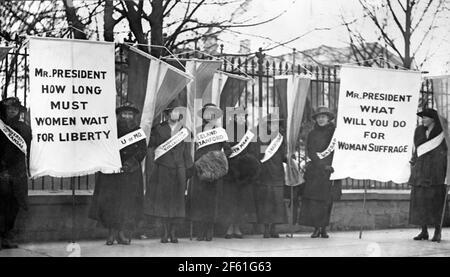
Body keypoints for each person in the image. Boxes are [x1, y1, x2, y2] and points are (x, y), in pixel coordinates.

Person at [89, 102, 147, 246]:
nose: (127, 117)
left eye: (130, 114)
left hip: (130, 173)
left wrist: (130, 163)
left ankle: (122, 233)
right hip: (112, 173)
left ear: (133, 116)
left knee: (127, 204)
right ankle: (111, 233)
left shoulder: (138, 132)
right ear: (119, 115)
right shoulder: (110, 131)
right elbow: (104, 148)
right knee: (111, 204)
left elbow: (142, 150)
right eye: (124, 114)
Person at [144, 99, 193, 243]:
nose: (176, 114)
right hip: (163, 168)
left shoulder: (185, 131)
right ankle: (164, 232)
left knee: (177, 202)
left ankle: (173, 232)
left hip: (179, 169)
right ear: (167, 114)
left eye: (178, 112)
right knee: (164, 202)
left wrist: (188, 168)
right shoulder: (159, 128)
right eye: (173, 111)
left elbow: (187, 151)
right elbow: (151, 146)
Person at [189, 103, 231, 241]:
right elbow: (192, 150)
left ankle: (209, 230)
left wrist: (218, 159)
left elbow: (228, 150)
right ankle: (200, 232)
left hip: (215, 172)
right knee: (200, 201)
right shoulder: (197, 131)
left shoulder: (221, 131)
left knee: (212, 201)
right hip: (200, 170)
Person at [298, 106, 340, 238]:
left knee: (327, 201)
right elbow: (310, 151)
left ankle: (324, 228)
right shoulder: (312, 134)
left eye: (323, 117)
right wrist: (322, 165)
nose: (321, 119)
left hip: (330, 171)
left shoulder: (336, 133)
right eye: (318, 117)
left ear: (328, 118)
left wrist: (331, 165)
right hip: (316, 171)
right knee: (315, 202)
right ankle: (316, 228)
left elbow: (338, 151)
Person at [219, 106, 260, 239]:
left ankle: (237, 227)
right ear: (234, 117)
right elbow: (224, 149)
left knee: (241, 201)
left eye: (243, 116)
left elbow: (253, 151)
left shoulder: (248, 133)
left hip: (244, 171)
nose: (241, 118)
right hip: (230, 170)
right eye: (239, 116)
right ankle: (229, 227)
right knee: (230, 199)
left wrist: (248, 162)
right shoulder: (226, 131)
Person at [409, 108, 448, 242]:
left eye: (425, 117)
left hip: (436, 172)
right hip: (420, 171)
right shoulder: (419, 130)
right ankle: (424, 231)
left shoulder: (443, 131)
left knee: (436, 202)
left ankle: (437, 232)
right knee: (420, 202)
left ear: (433, 119)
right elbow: (417, 149)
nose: (422, 120)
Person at [0, 97, 31, 250]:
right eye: (9, 108)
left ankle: (7, 237)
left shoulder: (25, 128)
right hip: (2, 172)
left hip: (18, 174)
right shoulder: (1, 126)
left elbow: (29, 149)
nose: (12, 110)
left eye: (15, 108)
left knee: (14, 206)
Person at [254, 113, 288, 238]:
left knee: (277, 202)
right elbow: (261, 155)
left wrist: (289, 159)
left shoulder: (281, 138)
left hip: (278, 172)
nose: (273, 125)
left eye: (275, 123)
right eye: (270, 123)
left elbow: (283, 155)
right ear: (266, 125)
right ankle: (266, 228)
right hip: (265, 173)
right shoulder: (261, 137)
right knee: (266, 202)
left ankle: (274, 227)